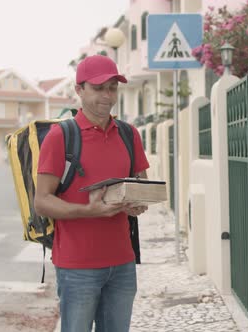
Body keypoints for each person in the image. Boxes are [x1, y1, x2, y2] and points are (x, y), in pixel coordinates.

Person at [34, 54, 150, 332]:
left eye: (112, 88)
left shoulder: (128, 133)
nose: (107, 96)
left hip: (122, 262)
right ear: (79, 90)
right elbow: (42, 201)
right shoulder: (60, 136)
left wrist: (136, 203)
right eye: (98, 88)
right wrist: (86, 211)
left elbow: (140, 185)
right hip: (77, 267)